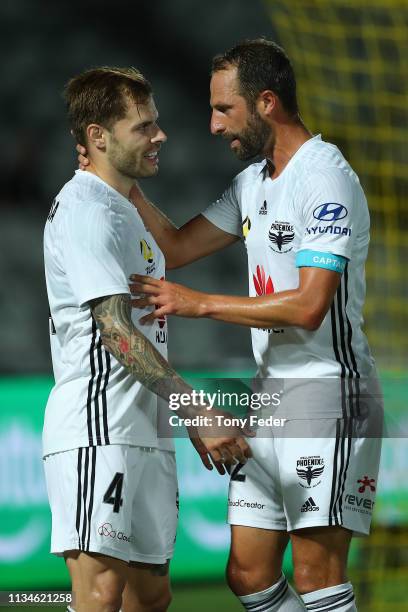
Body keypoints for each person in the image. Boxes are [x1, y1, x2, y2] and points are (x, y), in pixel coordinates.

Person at [79, 39, 383, 611]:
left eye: (225, 109)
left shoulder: (325, 178)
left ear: (266, 102)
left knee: (318, 574)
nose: (215, 125)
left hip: (329, 393)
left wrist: (201, 304)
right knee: (247, 574)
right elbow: (173, 245)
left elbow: (310, 305)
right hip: (271, 397)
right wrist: (120, 180)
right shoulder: (253, 183)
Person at [43, 66, 251, 612]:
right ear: (97, 137)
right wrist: (196, 410)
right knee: (100, 597)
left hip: (143, 430)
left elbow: (175, 248)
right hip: (97, 427)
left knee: (150, 596)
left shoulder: (124, 209)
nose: (160, 135)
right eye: (144, 127)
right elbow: (114, 330)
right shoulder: (87, 211)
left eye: (156, 123)